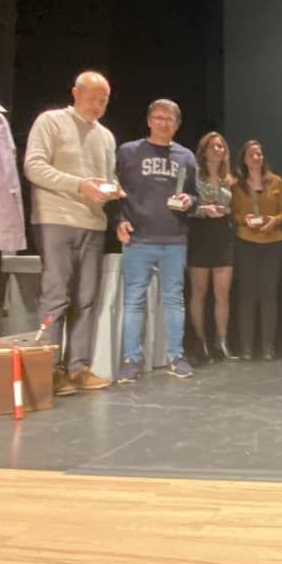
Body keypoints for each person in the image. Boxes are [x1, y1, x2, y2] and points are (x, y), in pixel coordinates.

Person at [23, 70, 122, 395]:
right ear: (75, 93)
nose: (98, 104)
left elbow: (104, 176)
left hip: (92, 223)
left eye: (104, 100)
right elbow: (33, 167)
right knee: (56, 296)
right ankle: (49, 370)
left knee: (87, 299)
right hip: (56, 219)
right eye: (93, 97)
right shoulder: (51, 121)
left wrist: (112, 189)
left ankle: (78, 367)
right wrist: (78, 185)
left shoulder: (106, 136)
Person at [114, 99, 197, 383]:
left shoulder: (185, 156)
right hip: (139, 238)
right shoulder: (128, 152)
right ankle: (131, 360)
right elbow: (115, 192)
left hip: (174, 238)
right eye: (159, 118)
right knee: (134, 300)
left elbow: (194, 194)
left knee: (175, 300)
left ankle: (176, 356)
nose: (164, 123)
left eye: (170, 119)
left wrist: (190, 201)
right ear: (149, 120)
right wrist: (119, 220)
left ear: (177, 124)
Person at [230, 140, 282, 360]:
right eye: (252, 154)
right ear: (244, 159)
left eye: (260, 154)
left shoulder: (276, 181)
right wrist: (244, 221)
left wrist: (274, 220)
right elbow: (233, 214)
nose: (257, 158)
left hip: (273, 242)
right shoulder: (237, 185)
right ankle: (246, 347)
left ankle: (268, 346)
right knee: (247, 293)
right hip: (246, 241)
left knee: (269, 293)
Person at [186, 132, 237, 361]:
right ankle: (200, 342)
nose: (218, 150)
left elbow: (234, 208)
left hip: (223, 235)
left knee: (222, 293)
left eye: (221, 147)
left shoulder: (230, 178)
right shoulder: (194, 174)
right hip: (200, 232)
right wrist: (201, 210)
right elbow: (183, 203)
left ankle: (221, 341)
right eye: (213, 146)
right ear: (204, 150)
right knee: (199, 292)